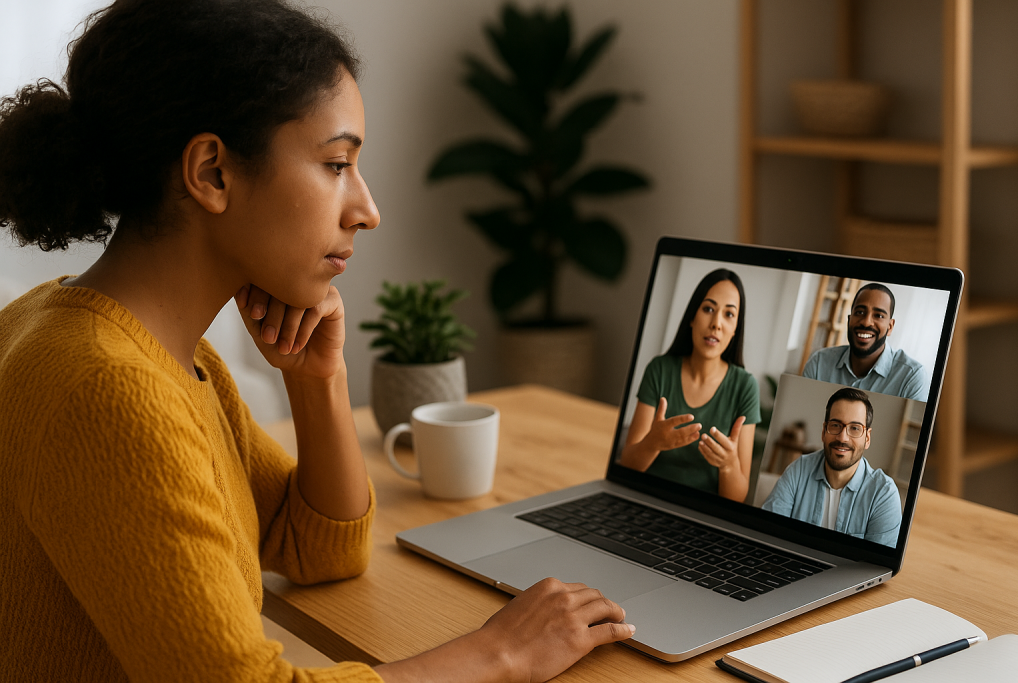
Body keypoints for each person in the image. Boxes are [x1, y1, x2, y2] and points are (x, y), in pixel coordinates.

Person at [0, 1, 634, 681]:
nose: (367, 208)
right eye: (336, 164)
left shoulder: (122, 339)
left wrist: (315, 377)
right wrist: (501, 652)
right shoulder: (110, 389)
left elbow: (319, 547)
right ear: (212, 172)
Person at [620, 269, 760, 502]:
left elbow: (737, 498)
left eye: (728, 314)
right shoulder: (660, 370)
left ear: (735, 329)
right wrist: (652, 443)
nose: (716, 323)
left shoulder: (745, 386)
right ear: (692, 317)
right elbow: (628, 465)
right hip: (647, 500)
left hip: (704, 515)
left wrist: (728, 466)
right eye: (708, 309)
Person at [761, 388, 902, 547]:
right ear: (824, 431)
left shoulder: (883, 494)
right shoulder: (798, 470)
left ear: (867, 438)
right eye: (835, 425)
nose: (842, 437)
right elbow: (768, 534)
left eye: (855, 428)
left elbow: (877, 566)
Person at [802, 283, 928, 402]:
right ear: (849, 320)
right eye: (860, 312)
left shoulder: (912, 377)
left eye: (878, 315)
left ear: (890, 327)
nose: (866, 322)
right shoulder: (819, 363)